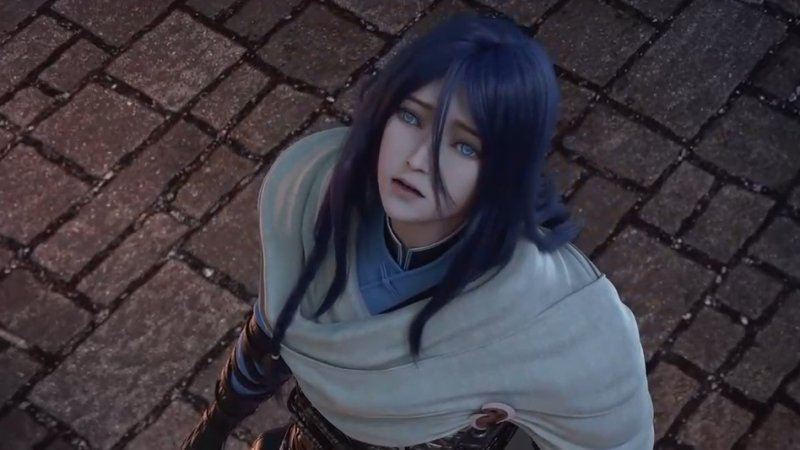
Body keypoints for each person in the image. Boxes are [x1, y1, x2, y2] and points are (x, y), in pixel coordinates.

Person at [181, 12, 654, 450]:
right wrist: (214, 427)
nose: (417, 160)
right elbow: (272, 330)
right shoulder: (315, 201)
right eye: (411, 117)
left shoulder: (553, 316)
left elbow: (616, 434)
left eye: (465, 146)